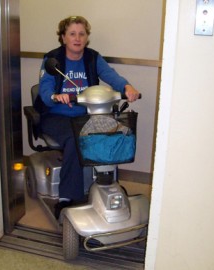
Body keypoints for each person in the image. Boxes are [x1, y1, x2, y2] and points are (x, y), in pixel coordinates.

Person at [38, 15, 140, 219]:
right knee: (76, 138)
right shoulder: (53, 60)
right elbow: (45, 91)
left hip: (87, 114)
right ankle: (67, 198)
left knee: (113, 131)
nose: (77, 38)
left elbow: (111, 75)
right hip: (56, 116)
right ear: (63, 37)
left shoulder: (92, 58)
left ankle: (109, 184)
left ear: (87, 37)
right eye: (72, 34)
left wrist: (127, 87)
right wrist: (55, 96)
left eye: (82, 34)